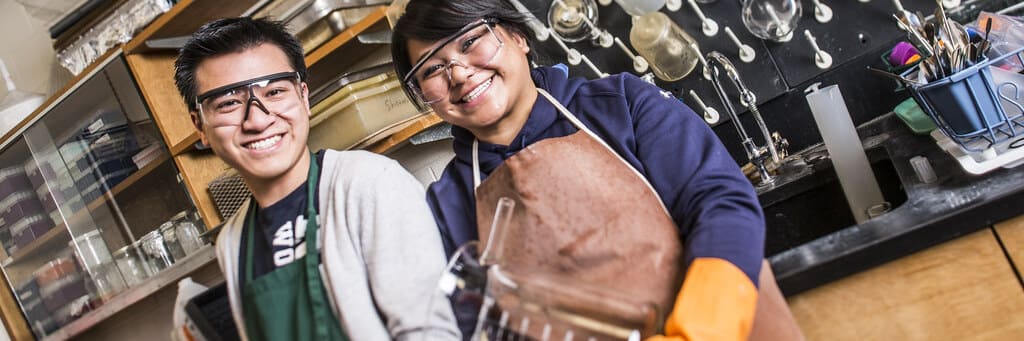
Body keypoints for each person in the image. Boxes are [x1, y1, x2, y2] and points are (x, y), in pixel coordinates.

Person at [391, 1, 802, 340]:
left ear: (518, 38)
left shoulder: (622, 103)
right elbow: (472, 323)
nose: (459, 74)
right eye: (431, 69)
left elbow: (721, 204)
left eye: (470, 42)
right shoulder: (446, 204)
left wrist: (696, 332)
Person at [174, 17, 459, 341]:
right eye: (228, 103)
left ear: (303, 97)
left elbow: (429, 333)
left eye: (275, 91)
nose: (257, 118)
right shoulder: (234, 241)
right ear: (200, 127)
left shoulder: (368, 184)